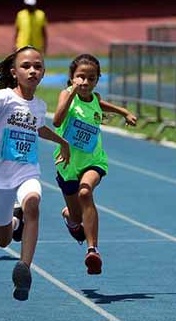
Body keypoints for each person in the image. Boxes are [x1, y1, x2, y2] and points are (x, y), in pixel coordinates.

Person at [0, 46, 70, 300]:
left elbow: (38, 127)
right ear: (14, 72)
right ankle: (14, 220)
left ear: (43, 72)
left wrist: (61, 141)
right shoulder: (0, 99)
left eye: (38, 66)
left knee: (33, 203)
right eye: (26, 66)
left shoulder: (40, 105)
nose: (32, 70)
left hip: (27, 171)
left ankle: (24, 268)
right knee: (2, 240)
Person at [52, 54, 137, 275]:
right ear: (72, 78)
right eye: (81, 77)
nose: (86, 82)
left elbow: (101, 104)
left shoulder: (95, 98)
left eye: (91, 78)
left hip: (93, 160)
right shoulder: (67, 95)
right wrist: (70, 93)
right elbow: (57, 121)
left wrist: (125, 112)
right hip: (67, 164)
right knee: (76, 215)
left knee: (85, 192)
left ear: (97, 80)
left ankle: (93, 250)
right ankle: (70, 219)